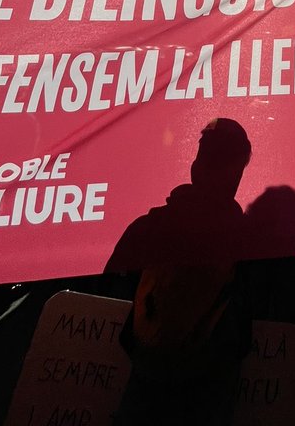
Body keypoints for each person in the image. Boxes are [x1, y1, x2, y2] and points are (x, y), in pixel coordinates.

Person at [106, 119, 255, 426]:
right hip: (207, 395)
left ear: (195, 166)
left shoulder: (147, 230)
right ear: (237, 174)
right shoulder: (248, 247)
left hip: (141, 381)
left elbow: (106, 299)